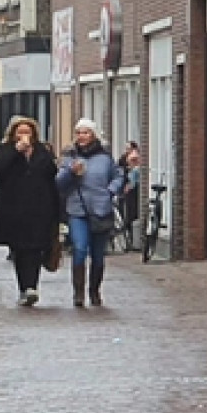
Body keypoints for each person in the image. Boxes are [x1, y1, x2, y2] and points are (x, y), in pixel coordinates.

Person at [0, 117, 61, 307]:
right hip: (14, 210)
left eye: (28, 132)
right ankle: (24, 287)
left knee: (35, 248)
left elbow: (51, 173)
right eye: (20, 132)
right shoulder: (5, 150)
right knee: (20, 249)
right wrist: (16, 152)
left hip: (39, 209)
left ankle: (31, 287)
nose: (24, 136)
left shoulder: (42, 152)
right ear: (13, 134)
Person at [57, 119, 123, 308]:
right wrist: (71, 172)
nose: (81, 136)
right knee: (79, 248)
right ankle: (78, 293)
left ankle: (94, 290)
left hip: (101, 210)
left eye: (85, 132)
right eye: (78, 132)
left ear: (93, 135)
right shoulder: (70, 157)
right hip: (77, 210)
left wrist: (110, 191)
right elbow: (59, 183)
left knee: (98, 255)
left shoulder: (105, 157)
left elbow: (118, 176)